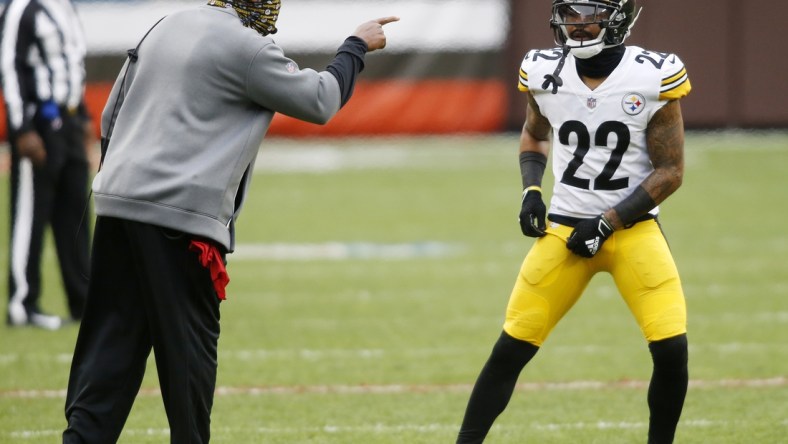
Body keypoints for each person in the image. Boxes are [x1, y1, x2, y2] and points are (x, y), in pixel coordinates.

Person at [62, 1, 397, 442]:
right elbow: (320, 100)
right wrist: (355, 46)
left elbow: (112, 113)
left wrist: (119, 180)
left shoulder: (166, 23)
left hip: (117, 203)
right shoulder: (249, 48)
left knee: (109, 355)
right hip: (177, 222)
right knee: (189, 363)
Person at [456, 1, 691, 443]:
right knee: (511, 347)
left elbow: (671, 171)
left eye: (590, 15)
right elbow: (534, 132)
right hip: (563, 230)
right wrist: (530, 190)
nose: (576, 25)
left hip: (632, 230)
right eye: (570, 14)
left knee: (671, 346)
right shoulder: (544, 69)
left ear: (619, 17)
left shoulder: (653, 74)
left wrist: (607, 221)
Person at [0, 0, 93, 330]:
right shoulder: (21, 7)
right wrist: (21, 129)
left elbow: (71, 62)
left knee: (77, 214)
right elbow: (9, 66)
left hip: (68, 122)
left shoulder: (64, 5)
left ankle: (84, 302)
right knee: (31, 214)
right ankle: (22, 303)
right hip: (38, 124)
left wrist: (82, 115)